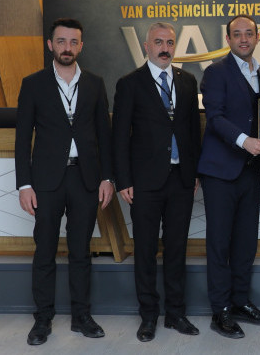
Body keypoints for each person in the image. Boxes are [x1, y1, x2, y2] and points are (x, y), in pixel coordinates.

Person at [15, 18, 114, 346]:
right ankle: (42, 319)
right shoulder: (33, 84)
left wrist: (107, 177)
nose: (67, 48)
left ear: (81, 46)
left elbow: (105, 136)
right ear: (50, 45)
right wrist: (24, 185)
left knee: (80, 251)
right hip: (45, 181)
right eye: (61, 41)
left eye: (73, 42)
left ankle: (81, 316)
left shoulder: (95, 83)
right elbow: (22, 139)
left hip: (85, 179)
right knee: (44, 250)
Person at [111, 22, 201, 342]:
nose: (165, 48)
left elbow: (193, 131)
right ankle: (148, 315)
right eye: (158, 42)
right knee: (146, 250)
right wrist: (123, 180)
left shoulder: (187, 81)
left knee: (177, 249)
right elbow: (119, 136)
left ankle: (176, 313)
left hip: (181, 180)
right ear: (147, 47)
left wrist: (194, 173)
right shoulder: (129, 83)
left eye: (170, 42)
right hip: (145, 183)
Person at [197, 14, 260, 339]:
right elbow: (215, 118)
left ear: (257, 37)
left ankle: (240, 302)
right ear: (228, 39)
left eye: (249, 33)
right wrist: (245, 141)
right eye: (237, 34)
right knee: (220, 244)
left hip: (250, 170)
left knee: (245, 243)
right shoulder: (215, 72)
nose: (244, 39)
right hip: (220, 172)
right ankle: (221, 311)